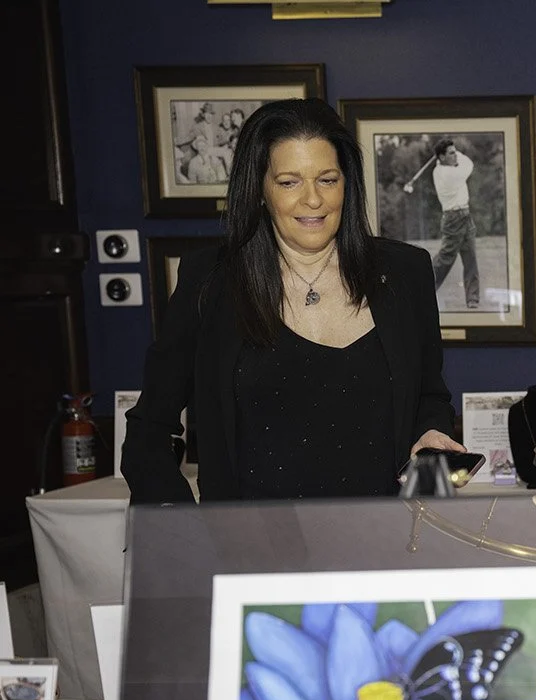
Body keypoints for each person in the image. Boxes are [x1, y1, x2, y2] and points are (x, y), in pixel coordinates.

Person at [122, 98, 463, 503]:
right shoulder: (211, 281)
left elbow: (429, 394)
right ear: (261, 190)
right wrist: (186, 531)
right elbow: (150, 429)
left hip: (384, 544)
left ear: (347, 184)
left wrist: (431, 432)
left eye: (327, 179)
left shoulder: (406, 272)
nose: (313, 199)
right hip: (251, 550)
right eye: (289, 182)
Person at [405, 138, 481, 309]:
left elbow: (461, 162)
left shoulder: (446, 167)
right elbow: (468, 164)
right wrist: (458, 152)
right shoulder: (446, 174)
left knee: (471, 258)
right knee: (445, 260)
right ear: (441, 157)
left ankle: (473, 298)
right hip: (453, 219)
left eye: (455, 152)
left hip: (465, 215)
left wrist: (450, 149)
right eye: (451, 153)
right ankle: (422, 291)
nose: (455, 156)